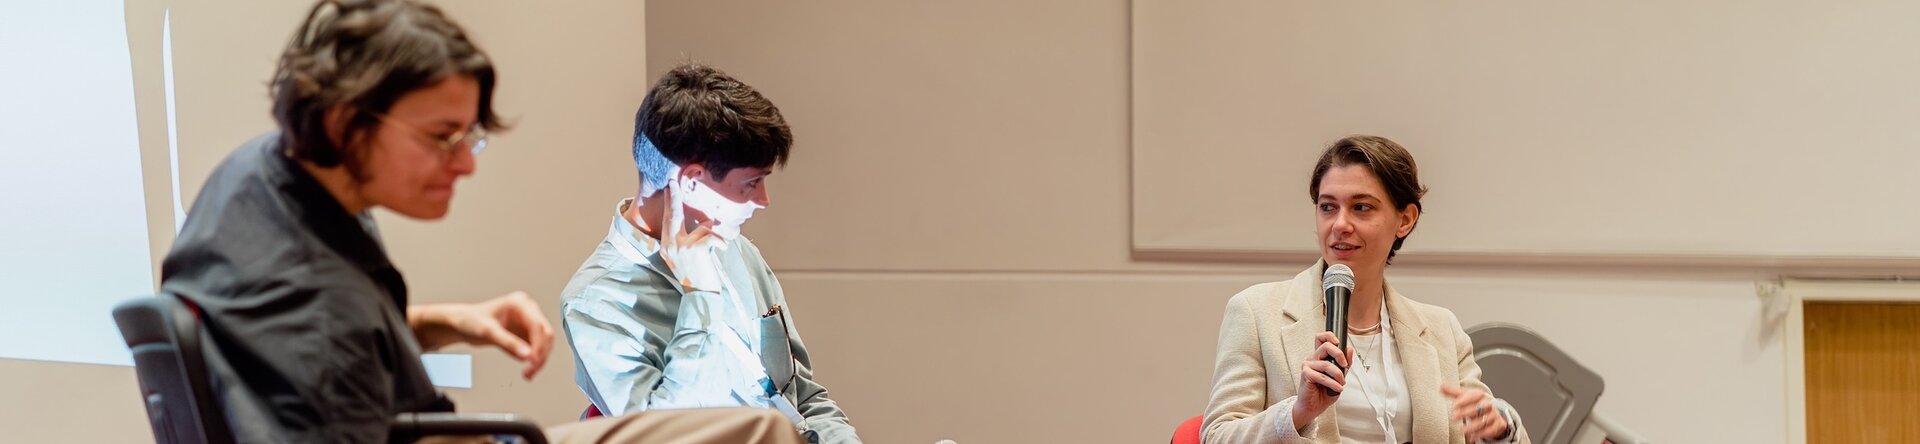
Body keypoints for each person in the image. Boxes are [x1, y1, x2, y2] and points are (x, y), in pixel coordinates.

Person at [159, 1, 797, 442]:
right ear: (344, 120)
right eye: (443, 137)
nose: (465, 163)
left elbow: (323, 338)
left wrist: (447, 322)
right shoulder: (298, 280)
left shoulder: (264, 184)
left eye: (469, 138)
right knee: (758, 432)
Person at [559, 62, 861, 444]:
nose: (763, 200)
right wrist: (700, 297)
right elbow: (664, 435)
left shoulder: (737, 250)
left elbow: (803, 398)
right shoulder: (596, 301)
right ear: (691, 182)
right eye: (751, 183)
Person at [1201, 136, 1530, 444]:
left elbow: (1482, 421)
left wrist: (1499, 429)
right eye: (1328, 207)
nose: (1340, 224)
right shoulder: (1256, 312)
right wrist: (1298, 412)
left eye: (1361, 207)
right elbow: (1216, 435)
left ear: (1405, 220)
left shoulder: (1441, 329)